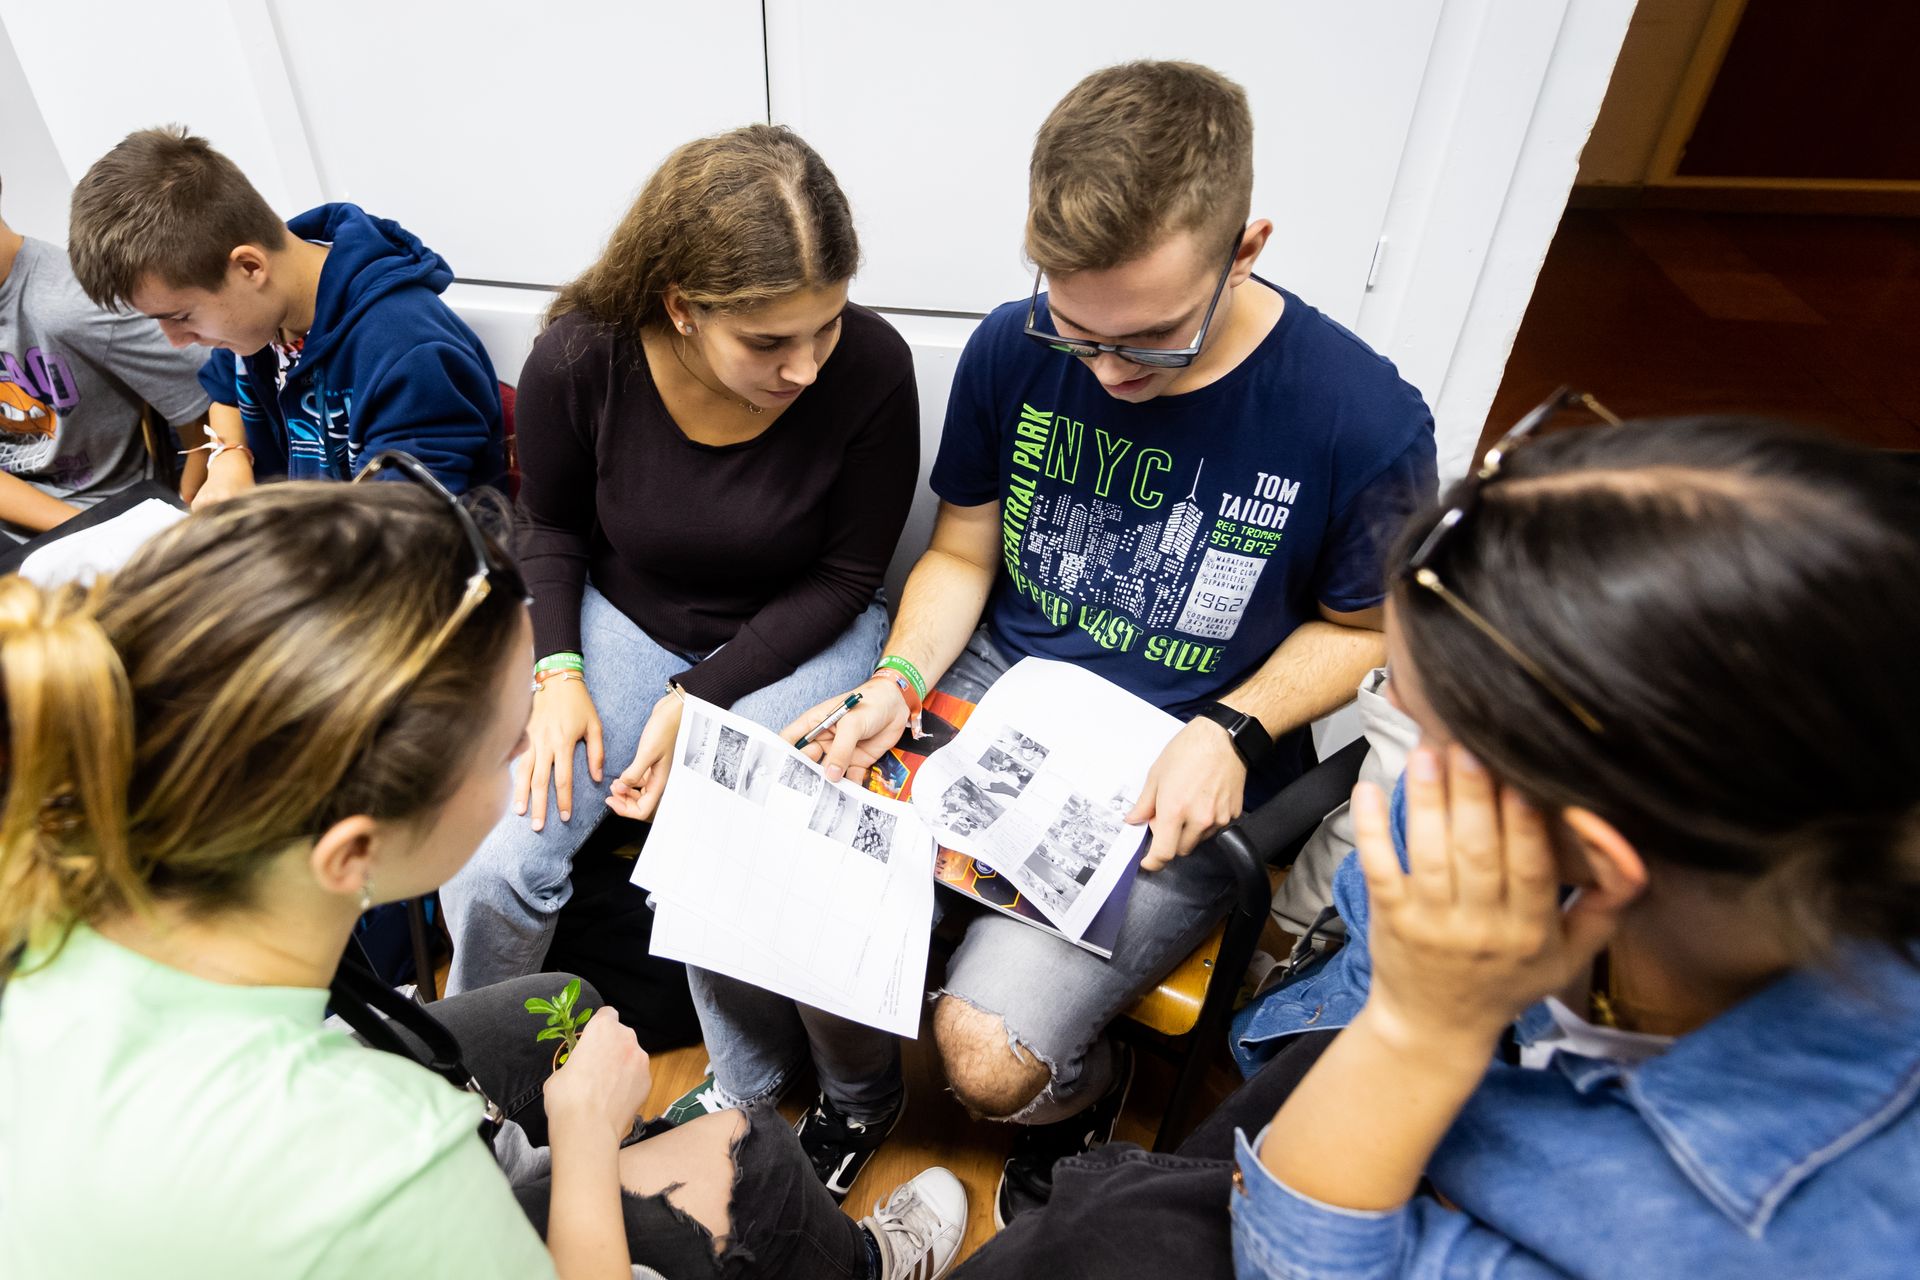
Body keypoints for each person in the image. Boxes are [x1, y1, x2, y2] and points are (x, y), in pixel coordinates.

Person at [954, 413, 1920, 1280]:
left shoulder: (1796, 1241)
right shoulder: (1526, 847)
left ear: (1595, 858)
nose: (1407, 775)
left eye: (1427, 731)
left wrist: (1422, 1031)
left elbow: (1299, 1254)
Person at [0, 477, 967, 1280]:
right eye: (511, 747)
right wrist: (583, 1140)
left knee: (561, 1005)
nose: (532, 760)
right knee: (748, 1157)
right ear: (353, 852)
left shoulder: (65, 878)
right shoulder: (376, 1154)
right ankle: (858, 1264)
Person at [777, 60, 1437, 1219]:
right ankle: (858, 1097)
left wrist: (1235, 726)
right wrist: (899, 677)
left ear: (1246, 249)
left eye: (1155, 340)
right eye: (1077, 332)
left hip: (1185, 744)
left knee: (988, 1056)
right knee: (802, 895)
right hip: (999, 691)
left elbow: (1364, 625)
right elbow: (963, 552)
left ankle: (1081, 1097)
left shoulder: (1361, 416)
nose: (1113, 371)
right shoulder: (1009, 346)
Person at [437, 122, 918, 1115]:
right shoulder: (583, 355)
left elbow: (845, 575)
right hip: (627, 614)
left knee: (718, 857)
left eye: (826, 326)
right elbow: (551, 528)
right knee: (496, 860)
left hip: (804, 628)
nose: (807, 367)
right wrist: (557, 671)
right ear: (681, 308)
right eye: (769, 342)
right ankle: (478, 1074)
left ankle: (747, 1093)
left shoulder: (873, 365)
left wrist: (696, 698)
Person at [64, 126, 504, 503]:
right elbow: (226, 394)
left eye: (180, 316)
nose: (176, 341)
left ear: (249, 267)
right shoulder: (256, 319)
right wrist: (230, 457)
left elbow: (401, 532)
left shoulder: (408, 351)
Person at [0, 175, 209, 540]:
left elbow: (209, 409)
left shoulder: (72, 304)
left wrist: (173, 517)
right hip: (41, 524)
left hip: (110, 516)